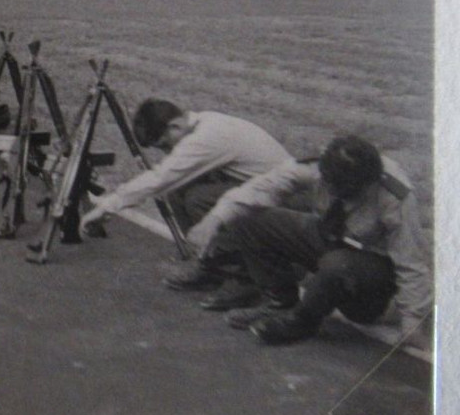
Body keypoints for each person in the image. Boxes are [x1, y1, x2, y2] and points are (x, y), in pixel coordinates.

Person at [190, 134, 432, 345]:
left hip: (372, 271)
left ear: (369, 181)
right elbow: (258, 190)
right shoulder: (312, 167)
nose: (344, 198)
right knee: (248, 219)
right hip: (330, 237)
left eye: (352, 192)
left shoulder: (395, 196)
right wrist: (214, 219)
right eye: (337, 189)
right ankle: (280, 302)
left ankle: (303, 322)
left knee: (337, 264)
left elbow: (411, 261)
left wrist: (413, 318)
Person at [80, 98, 299, 307]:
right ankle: (213, 266)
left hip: (287, 200)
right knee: (179, 191)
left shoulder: (208, 137)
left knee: (198, 199)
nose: (168, 152)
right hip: (262, 187)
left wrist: (108, 205)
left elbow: (160, 178)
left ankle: (243, 277)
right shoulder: (202, 123)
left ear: (175, 126)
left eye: (165, 145)